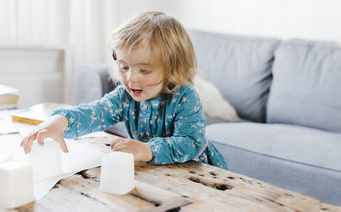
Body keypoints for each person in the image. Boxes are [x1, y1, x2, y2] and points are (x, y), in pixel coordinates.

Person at [20, 11, 228, 169]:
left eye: (144, 71)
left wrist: (148, 150)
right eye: (124, 67)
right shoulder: (124, 97)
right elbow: (96, 112)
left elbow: (192, 142)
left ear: (173, 70)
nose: (130, 79)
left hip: (197, 172)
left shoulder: (185, 98)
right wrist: (61, 122)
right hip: (159, 172)